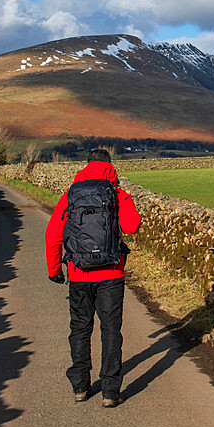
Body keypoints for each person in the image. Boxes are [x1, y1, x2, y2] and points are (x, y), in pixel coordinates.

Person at [45, 148, 141, 407]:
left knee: (80, 328)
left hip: (78, 273)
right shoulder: (116, 193)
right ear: (110, 165)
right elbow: (132, 225)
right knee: (110, 330)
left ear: (85, 166)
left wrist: (55, 269)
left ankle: (80, 386)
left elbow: (53, 234)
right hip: (111, 273)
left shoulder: (71, 195)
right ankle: (110, 391)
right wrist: (125, 199)